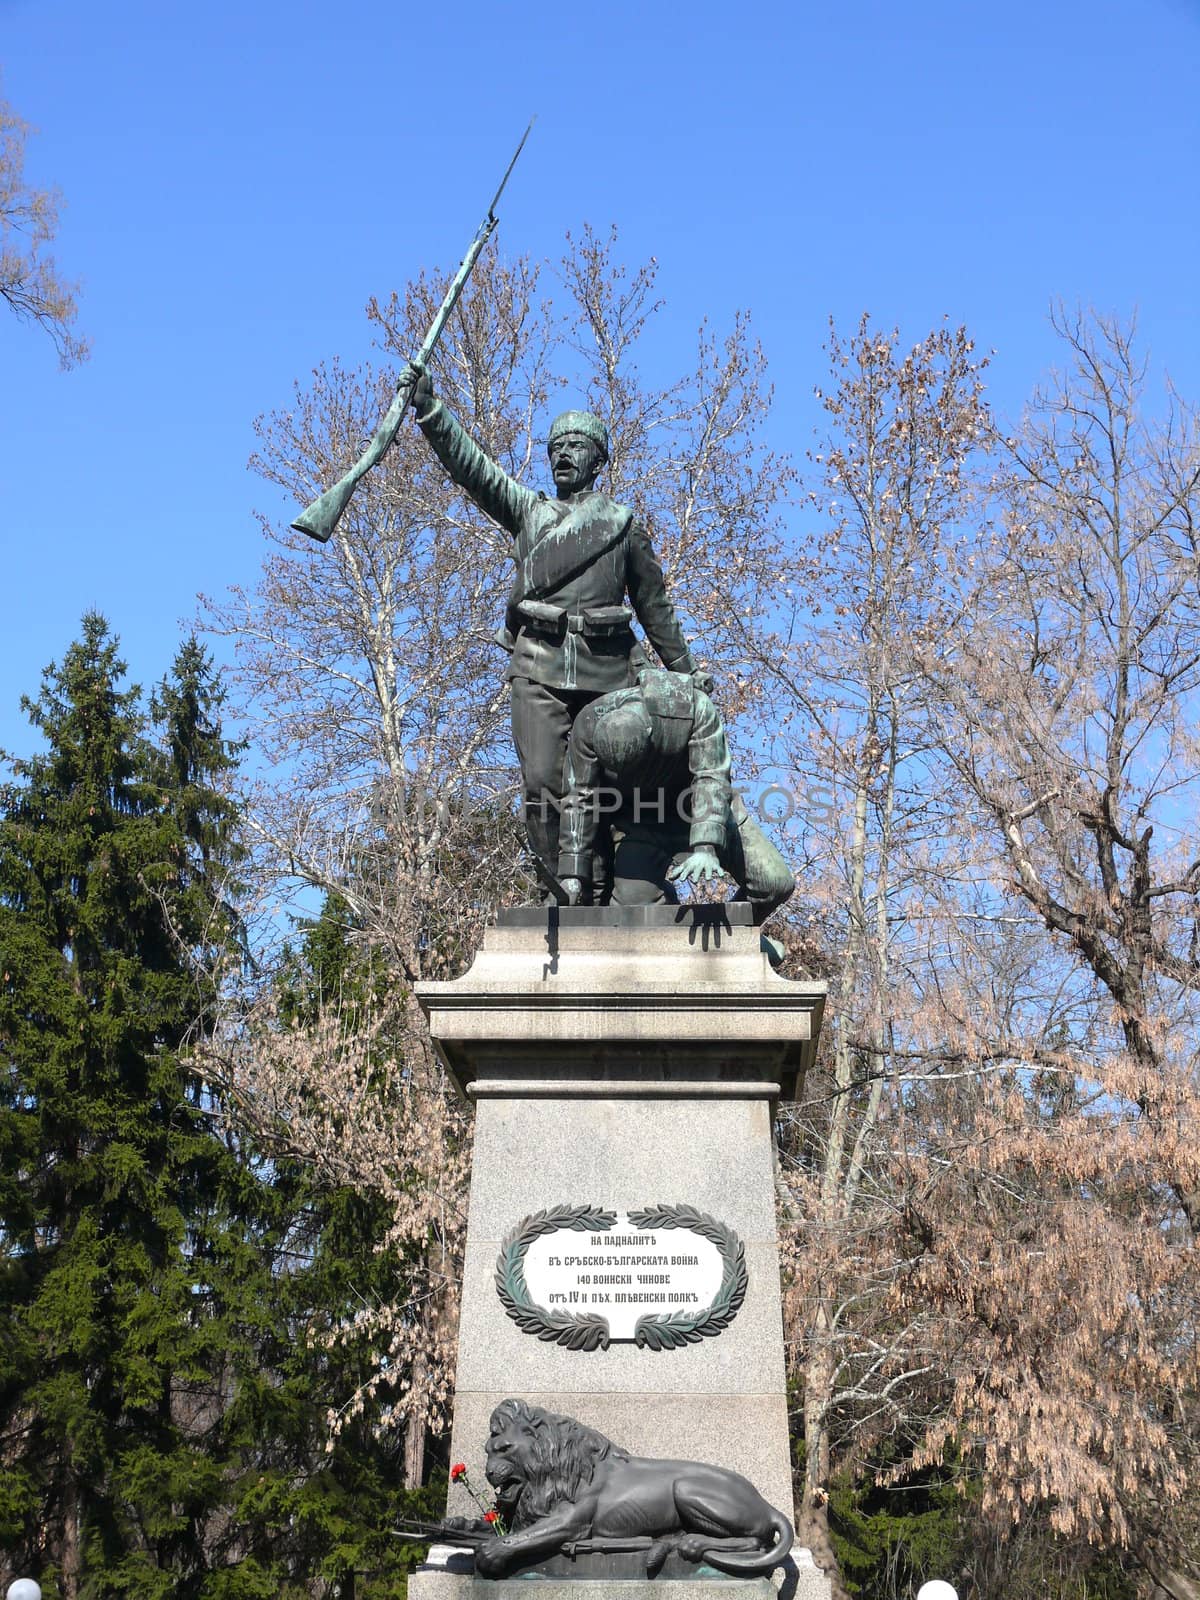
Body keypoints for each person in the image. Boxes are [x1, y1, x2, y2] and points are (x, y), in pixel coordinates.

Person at [406, 366, 704, 881]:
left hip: (608, 672)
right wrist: (431, 410)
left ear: (599, 459)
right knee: (543, 784)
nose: (563, 453)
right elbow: (473, 469)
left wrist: (685, 672)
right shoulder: (529, 513)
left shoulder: (622, 525)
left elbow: (655, 607)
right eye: (555, 446)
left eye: (575, 444)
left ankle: (605, 885)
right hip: (539, 665)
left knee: (609, 792)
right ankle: (561, 886)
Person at [557, 668, 795, 925]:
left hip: (698, 809)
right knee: (633, 915)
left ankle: (740, 936)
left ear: (650, 734)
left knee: (775, 884)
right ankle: (694, 938)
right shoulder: (588, 723)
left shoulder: (695, 709)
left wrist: (705, 846)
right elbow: (579, 797)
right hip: (639, 823)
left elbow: (710, 777)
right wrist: (573, 874)